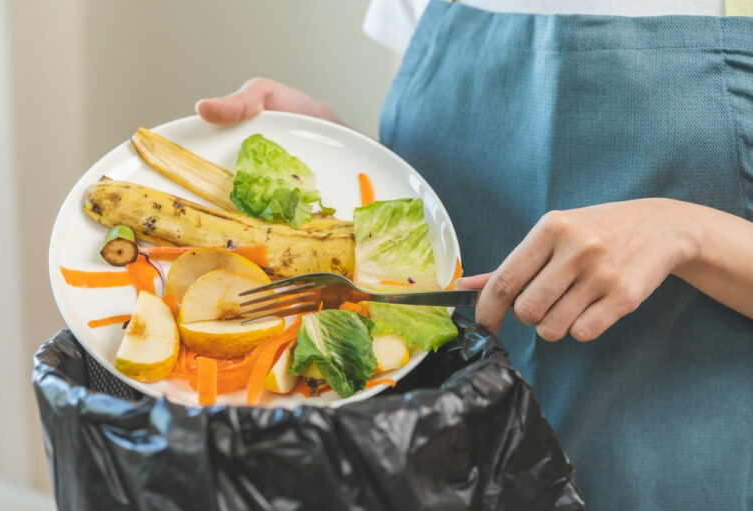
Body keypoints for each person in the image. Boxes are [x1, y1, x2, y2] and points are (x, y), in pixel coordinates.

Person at [195, 1, 753, 509]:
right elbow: (429, 199)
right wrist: (333, 149)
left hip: (673, 473)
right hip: (442, 467)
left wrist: (687, 231)